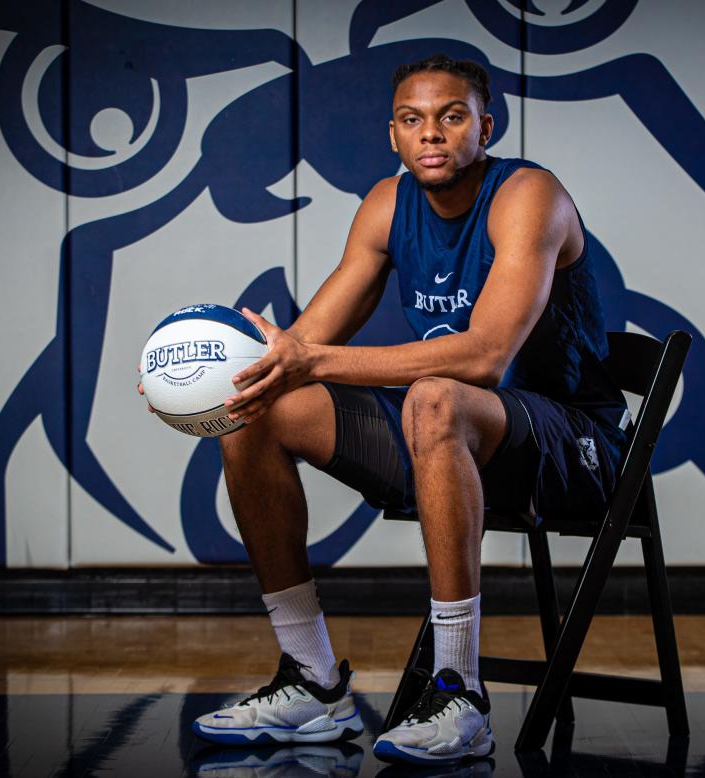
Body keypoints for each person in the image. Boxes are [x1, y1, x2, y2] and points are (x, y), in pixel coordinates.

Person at [171, 54, 628, 765]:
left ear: (485, 124)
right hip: (448, 440)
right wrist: (199, 387)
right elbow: (301, 346)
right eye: (413, 120)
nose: (432, 134)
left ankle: (458, 694)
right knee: (251, 411)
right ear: (393, 135)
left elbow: (484, 356)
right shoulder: (386, 204)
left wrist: (310, 361)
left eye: (451, 116)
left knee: (438, 393)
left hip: (572, 445)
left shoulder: (529, 195)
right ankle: (312, 680)